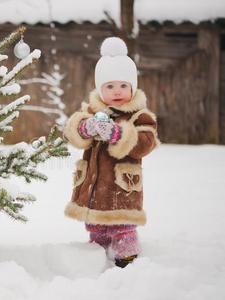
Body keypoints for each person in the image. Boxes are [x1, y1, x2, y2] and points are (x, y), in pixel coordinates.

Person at [63, 37, 160, 268]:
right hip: (94, 188)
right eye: (110, 86)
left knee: (122, 227)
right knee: (97, 227)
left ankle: (127, 260)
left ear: (132, 87)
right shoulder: (91, 111)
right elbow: (70, 130)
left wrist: (119, 134)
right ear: (100, 88)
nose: (117, 92)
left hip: (121, 188)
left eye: (123, 86)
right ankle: (97, 258)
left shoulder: (138, 115)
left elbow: (147, 141)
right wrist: (86, 128)